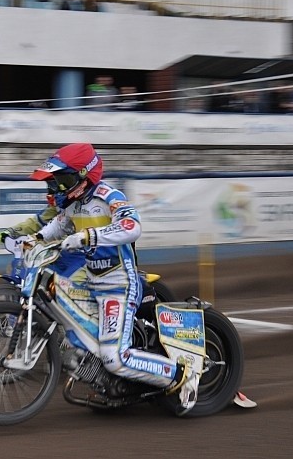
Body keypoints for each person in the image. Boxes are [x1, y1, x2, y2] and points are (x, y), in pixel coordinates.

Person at [27, 143, 200, 415]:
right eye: (55, 182)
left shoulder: (108, 195)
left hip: (118, 285)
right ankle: (111, 383)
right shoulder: (75, 204)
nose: (58, 188)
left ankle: (179, 373)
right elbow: (59, 224)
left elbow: (133, 226)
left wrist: (89, 236)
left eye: (63, 181)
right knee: (69, 330)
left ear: (84, 176)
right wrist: (35, 239)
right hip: (91, 282)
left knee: (114, 358)